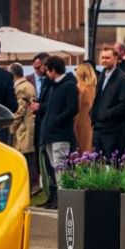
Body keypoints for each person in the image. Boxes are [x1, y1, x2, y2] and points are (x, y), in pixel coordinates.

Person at [34, 55, 77, 209]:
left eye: (48, 71)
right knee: (55, 167)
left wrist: (57, 120)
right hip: (50, 134)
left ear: (53, 70)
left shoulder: (68, 85)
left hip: (60, 134)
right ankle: (60, 198)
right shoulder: (54, 86)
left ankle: (65, 200)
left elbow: (72, 108)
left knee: (61, 167)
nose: (46, 74)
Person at [91, 45, 125, 156]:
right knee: (99, 163)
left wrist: (107, 113)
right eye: (102, 57)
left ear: (116, 59)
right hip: (99, 127)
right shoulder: (102, 75)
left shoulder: (122, 78)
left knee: (112, 163)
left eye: (107, 58)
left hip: (113, 129)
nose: (104, 60)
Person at [9, 63, 38, 192]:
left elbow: (19, 110)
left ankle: (32, 186)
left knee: (26, 157)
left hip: (24, 127)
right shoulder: (29, 85)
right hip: (29, 125)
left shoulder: (21, 88)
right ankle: (33, 185)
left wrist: (11, 126)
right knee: (29, 156)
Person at [74, 61, 96, 154]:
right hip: (92, 123)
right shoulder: (94, 87)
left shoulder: (79, 88)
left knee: (82, 151)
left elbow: (76, 109)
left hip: (80, 123)